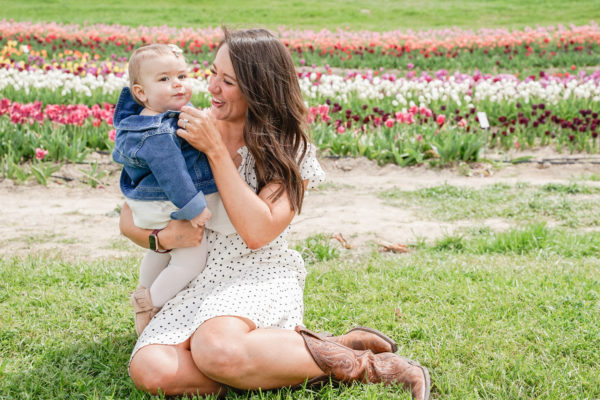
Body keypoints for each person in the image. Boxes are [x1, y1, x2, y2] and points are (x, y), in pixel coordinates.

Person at [119, 28, 431, 399]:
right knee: (151, 370)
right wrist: (164, 239)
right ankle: (301, 353)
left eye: (228, 81)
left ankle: (369, 366)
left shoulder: (288, 151)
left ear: (258, 88)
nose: (213, 88)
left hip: (257, 271)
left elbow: (257, 233)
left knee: (215, 349)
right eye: (212, 73)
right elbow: (129, 216)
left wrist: (216, 153)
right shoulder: (183, 128)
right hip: (194, 275)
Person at [113, 43, 235, 335]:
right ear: (141, 93)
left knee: (161, 252)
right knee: (191, 258)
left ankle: (144, 289)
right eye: (164, 79)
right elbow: (174, 174)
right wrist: (194, 209)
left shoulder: (152, 117)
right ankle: (150, 303)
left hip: (151, 201)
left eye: (181, 76)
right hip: (167, 200)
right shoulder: (157, 133)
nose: (177, 85)